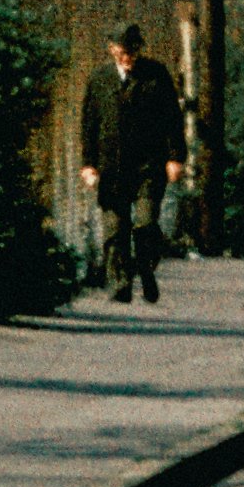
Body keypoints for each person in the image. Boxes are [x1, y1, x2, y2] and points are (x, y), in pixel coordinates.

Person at [77, 25, 185, 304]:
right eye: (124, 52)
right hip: (112, 166)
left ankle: (146, 268)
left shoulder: (156, 75)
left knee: (146, 223)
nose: (129, 58)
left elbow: (172, 118)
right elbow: (89, 124)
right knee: (115, 229)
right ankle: (120, 284)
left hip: (148, 165)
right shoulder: (100, 79)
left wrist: (175, 157)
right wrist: (88, 164)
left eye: (134, 51)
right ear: (112, 49)